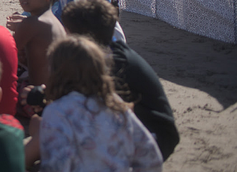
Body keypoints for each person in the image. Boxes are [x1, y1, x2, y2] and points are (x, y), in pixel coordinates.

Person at [61, 0, 179, 160]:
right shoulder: (109, 51)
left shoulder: (116, 63)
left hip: (154, 139)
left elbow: (94, 106)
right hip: (143, 130)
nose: (64, 35)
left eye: (67, 31)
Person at [26, 37, 163, 171]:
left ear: (56, 72)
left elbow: (57, 165)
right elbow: (151, 157)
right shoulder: (116, 103)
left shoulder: (58, 111)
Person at [12, 0, 66, 114]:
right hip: (58, 96)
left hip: (40, 101)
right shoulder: (53, 20)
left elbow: (6, 53)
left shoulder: (32, 23)